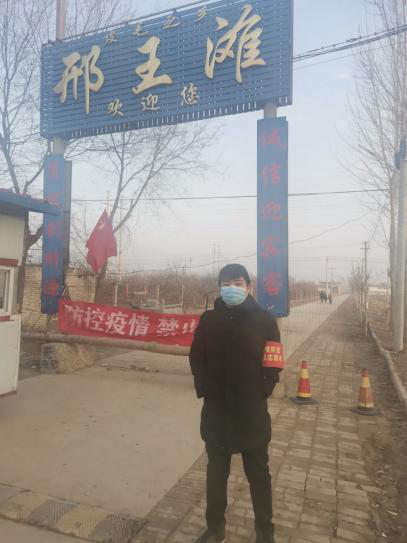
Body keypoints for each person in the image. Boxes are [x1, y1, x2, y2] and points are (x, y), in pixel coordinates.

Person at [189, 263, 281, 543]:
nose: (232, 289)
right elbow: (197, 357)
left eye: (238, 283)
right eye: (226, 284)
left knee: (259, 475)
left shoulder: (265, 320)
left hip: (250, 412)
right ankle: (215, 528)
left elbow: (273, 362)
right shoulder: (209, 319)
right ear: (219, 288)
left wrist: (260, 392)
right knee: (216, 474)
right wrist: (205, 388)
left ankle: (265, 532)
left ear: (249, 287)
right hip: (216, 411)